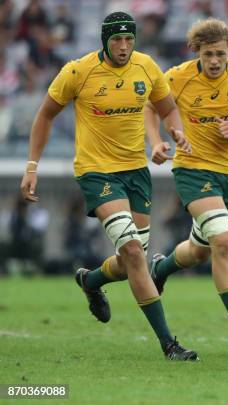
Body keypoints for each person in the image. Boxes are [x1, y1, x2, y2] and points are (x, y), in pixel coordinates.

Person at [19, 12, 196, 361]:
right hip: (97, 173)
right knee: (132, 251)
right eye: (117, 39)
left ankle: (92, 281)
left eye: (129, 39)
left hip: (136, 173)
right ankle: (169, 344)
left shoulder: (146, 67)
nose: (124, 46)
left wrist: (173, 135)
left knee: (134, 260)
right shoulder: (78, 71)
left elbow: (168, 108)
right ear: (105, 40)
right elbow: (45, 115)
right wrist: (32, 166)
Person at [145, 18, 228, 331]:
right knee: (225, 241)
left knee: (201, 250)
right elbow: (151, 107)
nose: (214, 61)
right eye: (208, 55)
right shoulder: (177, 77)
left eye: (220, 54)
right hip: (194, 169)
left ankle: (161, 268)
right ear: (195, 52)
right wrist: (157, 141)